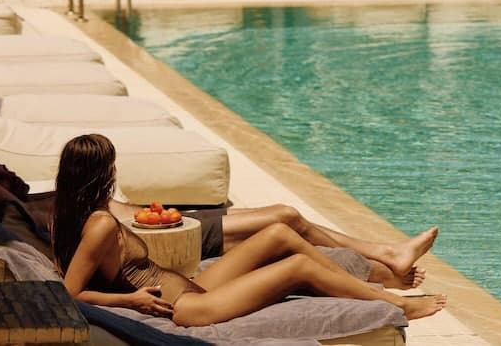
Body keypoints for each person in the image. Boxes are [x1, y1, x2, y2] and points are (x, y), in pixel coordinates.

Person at [52, 134, 446, 326]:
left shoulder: (83, 213)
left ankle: (375, 284)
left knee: (280, 235)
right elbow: (70, 293)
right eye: (112, 166)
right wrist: (130, 301)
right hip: (188, 309)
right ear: (102, 173)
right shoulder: (100, 224)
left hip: (191, 288)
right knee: (298, 267)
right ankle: (396, 305)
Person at [0, 151, 436, 290]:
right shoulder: (26, 209)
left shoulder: (47, 195)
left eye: (5, 168)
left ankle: (386, 265)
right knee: (286, 220)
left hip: (169, 225)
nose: (9, 173)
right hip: (164, 241)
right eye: (0, 174)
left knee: (288, 224)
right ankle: (386, 263)